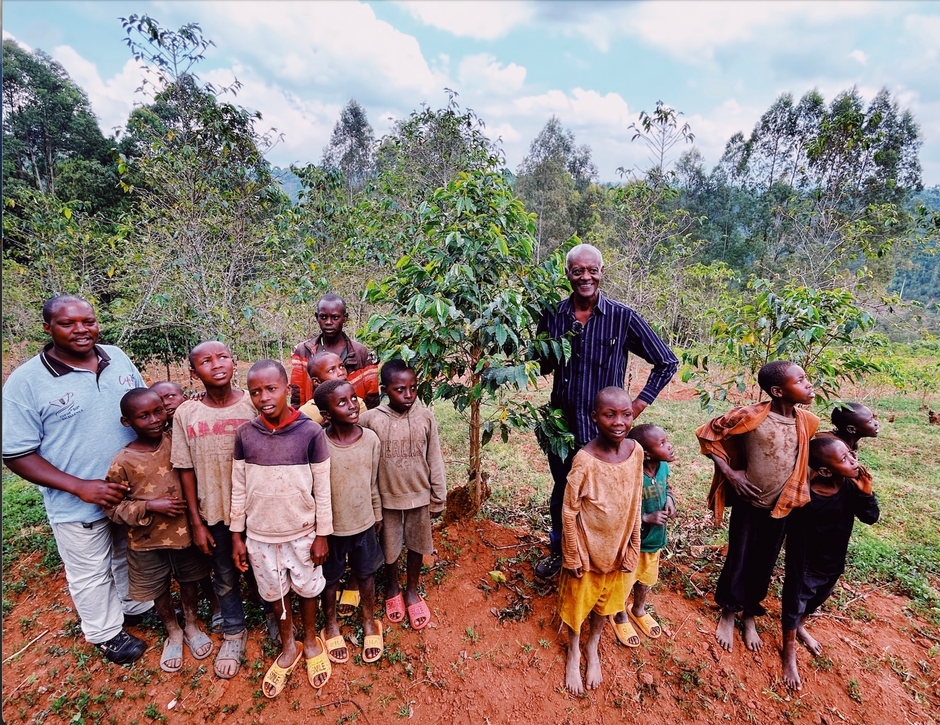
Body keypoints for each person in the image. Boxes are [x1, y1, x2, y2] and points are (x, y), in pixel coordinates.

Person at [2, 295, 152, 664]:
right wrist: (79, 486)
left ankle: (135, 606)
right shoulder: (26, 382)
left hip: (128, 491)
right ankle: (105, 632)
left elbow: (143, 404)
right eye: (68, 323)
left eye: (88, 321)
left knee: (127, 552)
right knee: (89, 568)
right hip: (77, 499)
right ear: (47, 328)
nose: (81, 329)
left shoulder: (117, 357)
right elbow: (16, 453)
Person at [535, 244, 678, 580]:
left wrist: (636, 406)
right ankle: (563, 551)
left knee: (608, 496)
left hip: (606, 431)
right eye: (578, 271)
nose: (585, 277)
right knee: (565, 492)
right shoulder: (553, 315)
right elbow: (542, 363)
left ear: (601, 272)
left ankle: (608, 556)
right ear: (568, 274)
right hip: (562, 426)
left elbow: (666, 360)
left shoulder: (622, 317)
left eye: (592, 270)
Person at [696, 360, 818, 653]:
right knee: (738, 558)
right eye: (800, 381)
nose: (808, 384)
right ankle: (728, 611)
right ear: (777, 391)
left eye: (805, 379)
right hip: (750, 504)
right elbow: (708, 433)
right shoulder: (750, 417)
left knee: (765, 562)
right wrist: (730, 473)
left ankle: (750, 613)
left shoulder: (809, 422)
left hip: (783, 507)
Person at [230, 360, 333, 696]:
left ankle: (309, 638)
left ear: (288, 389)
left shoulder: (310, 433)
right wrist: (236, 535)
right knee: (275, 594)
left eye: (271, 389)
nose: (263, 397)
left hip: (303, 532)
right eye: (255, 392)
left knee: (307, 589)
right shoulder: (246, 435)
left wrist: (322, 534)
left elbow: (323, 488)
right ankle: (288, 645)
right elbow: (238, 488)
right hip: (260, 536)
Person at [105, 388, 214, 672]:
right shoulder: (123, 461)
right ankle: (172, 630)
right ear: (127, 422)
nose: (154, 420)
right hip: (146, 541)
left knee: (190, 579)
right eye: (143, 416)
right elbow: (112, 508)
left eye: (158, 411)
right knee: (158, 587)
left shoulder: (177, 443)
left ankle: (191, 623)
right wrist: (150, 506)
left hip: (185, 534)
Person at [171, 341, 255, 678]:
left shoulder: (254, 404)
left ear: (234, 363)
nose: (216, 364)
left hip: (258, 511)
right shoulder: (186, 414)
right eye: (206, 361)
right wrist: (196, 522)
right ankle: (234, 630)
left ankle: (273, 617)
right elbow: (185, 469)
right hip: (214, 512)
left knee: (265, 569)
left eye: (222, 357)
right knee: (224, 575)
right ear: (193, 373)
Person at [558, 387, 643, 695]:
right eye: (609, 415)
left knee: (606, 605)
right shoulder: (585, 460)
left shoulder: (636, 452)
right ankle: (574, 650)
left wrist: (632, 546)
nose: (619, 422)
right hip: (587, 553)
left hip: (618, 553)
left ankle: (593, 647)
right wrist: (572, 554)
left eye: (626, 414)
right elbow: (569, 512)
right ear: (595, 417)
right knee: (578, 606)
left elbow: (636, 504)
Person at [780, 436, 879, 690]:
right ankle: (788, 651)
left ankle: (801, 627)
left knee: (818, 599)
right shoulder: (806, 497)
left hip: (833, 562)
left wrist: (867, 493)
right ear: (824, 470)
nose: (854, 461)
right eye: (844, 459)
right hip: (804, 565)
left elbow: (870, 517)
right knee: (795, 603)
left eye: (850, 454)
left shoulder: (851, 487)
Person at [359, 359, 446, 630]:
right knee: (390, 547)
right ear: (385, 390)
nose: (408, 395)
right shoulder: (371, 419)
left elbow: (435, 457)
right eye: (400, 389)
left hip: (420, 497)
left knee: (418, 545)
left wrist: (438, 495)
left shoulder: (425, 417)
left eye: (413, 388)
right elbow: (361, 456)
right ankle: (393, 587)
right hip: (387, 500)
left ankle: (411, 588)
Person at [313, 379, 385, 665]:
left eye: (353, 398)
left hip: (364, 523)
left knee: (365, 574)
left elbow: (373, 482)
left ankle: (369, 620)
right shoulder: (318, 442)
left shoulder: (370, 440)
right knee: (329, 579)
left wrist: (376, 514)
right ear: (326, 414)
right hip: (331, 529)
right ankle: (330, 624)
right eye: (341, 402)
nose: (352, 404)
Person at [298, 351, 368, 618]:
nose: (340, 372)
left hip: (354, 485)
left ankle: (354, 583)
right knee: (335, 546)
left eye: (341, 367)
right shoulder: (307, 412)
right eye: (332, 370)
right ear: (316, 381)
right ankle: (330, 586)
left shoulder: (357, 403)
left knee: (359, 543)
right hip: (326, 491)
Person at [151, 379, 223, 633]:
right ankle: (213, 604)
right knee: (198, 560)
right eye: (159, 400)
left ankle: (221, 603)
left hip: (207, 502)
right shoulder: (154, 436)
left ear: (186, 396)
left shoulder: (194, 422)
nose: (166, 403)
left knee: (211, 557)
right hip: (176, 513)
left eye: (171, 396)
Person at [609, 424, 677, 647]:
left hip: (655, 541)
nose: (670, 447)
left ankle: (638, 608)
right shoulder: (633, 474)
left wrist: (670, 501)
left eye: (666, 441)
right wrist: (646, 517)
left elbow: (667, 487)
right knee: (625, 581)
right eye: (662, 444)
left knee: (646, 579)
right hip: (634, 544)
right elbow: (619, 507)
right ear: (646, 453)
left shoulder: (663, 467)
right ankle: (619, 614)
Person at [289, 293, 379, 409]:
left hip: (352, 420)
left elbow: (372, 397)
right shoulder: (303, 351)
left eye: (335, 317)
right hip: (314, 420)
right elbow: (297, 394)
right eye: (323, 317)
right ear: (317, 317)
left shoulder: (361, 353)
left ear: (345, 317)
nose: (328, 322)